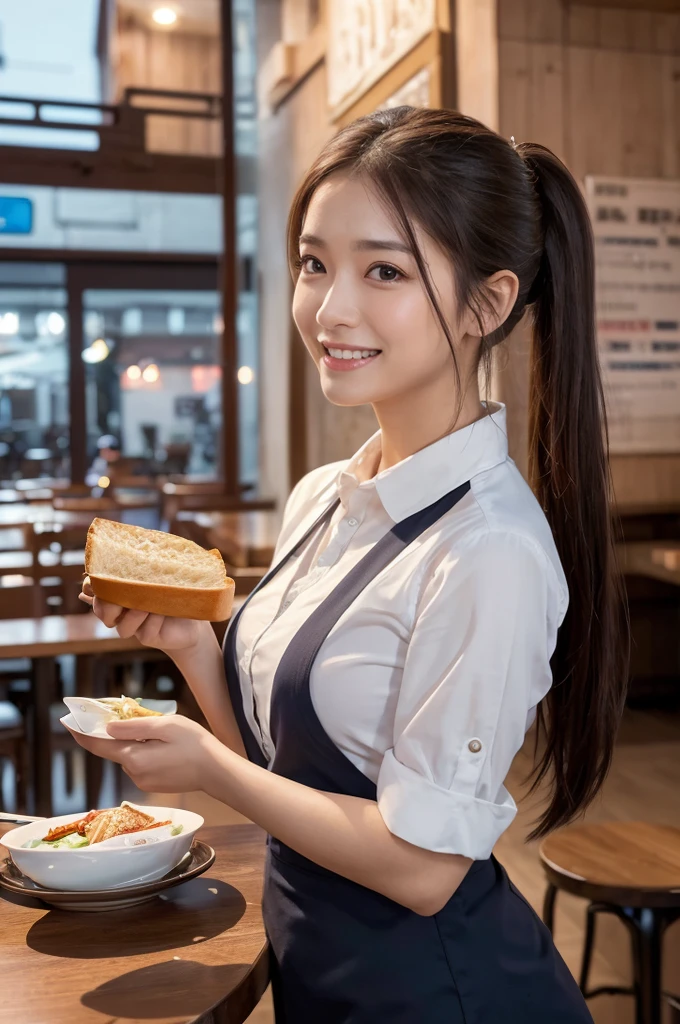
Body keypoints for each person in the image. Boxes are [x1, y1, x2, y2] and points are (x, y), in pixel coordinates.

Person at [75, 107, 628, 1023]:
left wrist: (209, 769)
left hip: (438, 994)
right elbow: (290, 771)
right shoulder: (323, 494)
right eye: (314, 262)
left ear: (487, 304)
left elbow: (422, 871)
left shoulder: (490, 550)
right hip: (316, 972)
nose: (330, 309)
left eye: (385, 271)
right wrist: (194, 652)